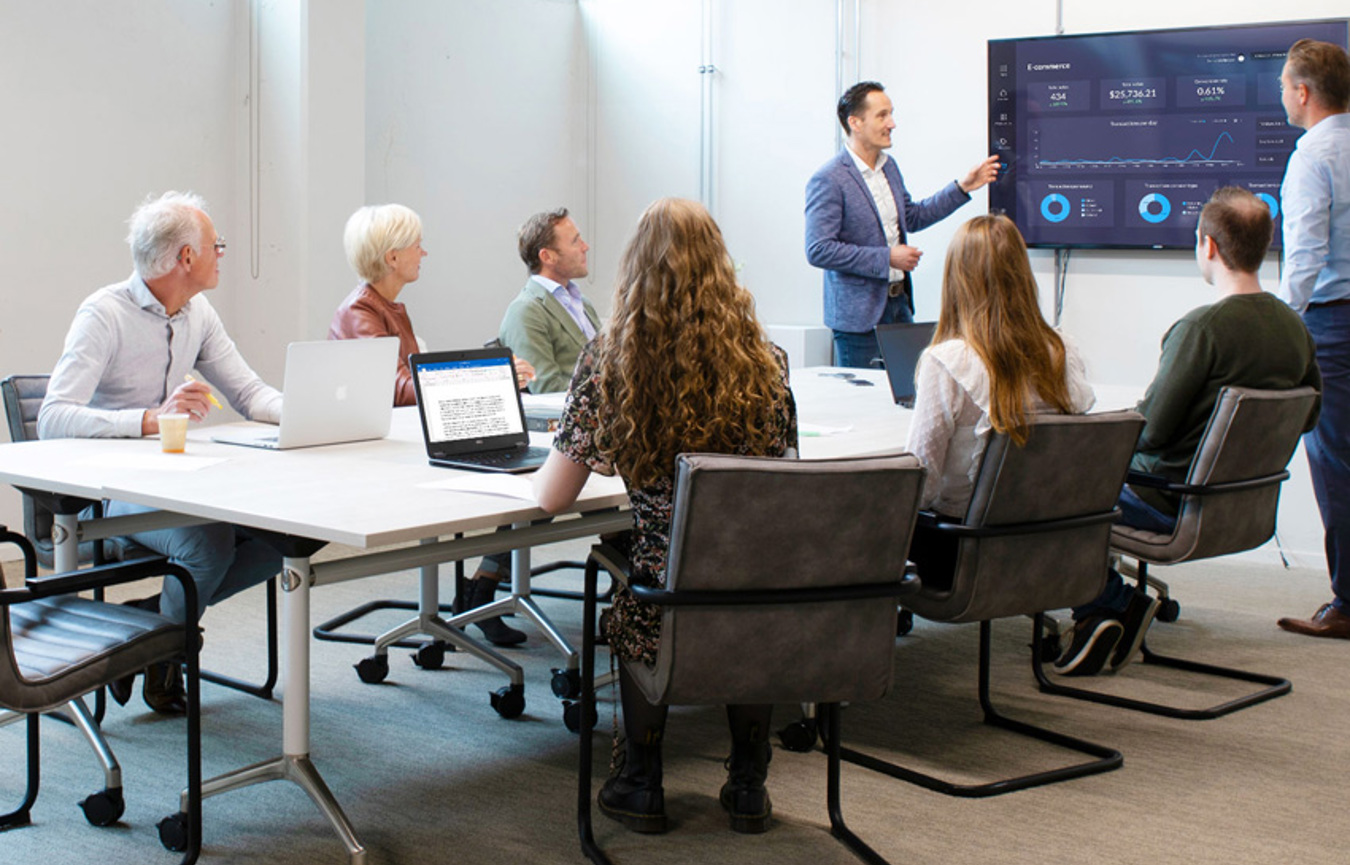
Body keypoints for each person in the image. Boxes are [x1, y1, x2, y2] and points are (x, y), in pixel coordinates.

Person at [534, 198, 798, 836]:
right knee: (738, 591)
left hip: (666, 586)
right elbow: (788, 476)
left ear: (637, 270)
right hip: (757, 585)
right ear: (719, 267)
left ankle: (641, 782)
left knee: (635, 573)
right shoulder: (768, 361)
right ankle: (747, 784)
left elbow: (552, 500)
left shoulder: (609, 360)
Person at [38, 191, 284, 714]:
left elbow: (249, 393)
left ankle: (150, 627)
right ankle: (166, 651)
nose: (223, 253)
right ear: (185, 258)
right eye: (216, 245)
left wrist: (307, 412)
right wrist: (150, 420)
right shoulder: (103, 313)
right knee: (210, 546)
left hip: (175, 486)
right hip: (108, 497)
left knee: (284, 535)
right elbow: (53, 416)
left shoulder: (198, 312)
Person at [1060, 187, 1322, 675]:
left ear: (1208, 246)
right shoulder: (1295, 328)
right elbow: (1307, 415)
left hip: (1167, 499)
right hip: (1241, 505)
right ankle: (1109, 598)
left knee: (1054, 490)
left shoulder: (1202, 329)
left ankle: (1108, 602)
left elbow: (1152, 433)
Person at [330, 203, 534, 646]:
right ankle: (480, 590)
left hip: (403, 444)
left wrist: (483, 377)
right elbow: (400, 388)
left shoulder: (387, 307)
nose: (424, 252)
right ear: (392, 257)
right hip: (381, 456)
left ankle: (481, 586)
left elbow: (414, 380)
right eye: (416, 245)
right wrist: (486, 378)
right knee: (514, 476)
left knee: (520, 474)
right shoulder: (361, 311)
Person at [904, 214, 1094, 586]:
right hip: (1042, 542)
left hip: (958, 548)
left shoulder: (949, 361)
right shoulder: (1061, 350)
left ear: (956, 279)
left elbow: (921, 484)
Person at [805, 81, 1001, 369]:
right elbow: (819, 249)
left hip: (899, 307)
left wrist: (963, 187)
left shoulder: (890, 167)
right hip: (859, 321)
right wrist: (887, 258)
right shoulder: (830, 179)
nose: (892, 123)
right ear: (855, 123)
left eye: (891, 114)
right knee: (863, 407)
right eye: (882, 115)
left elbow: (912, 217)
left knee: (906, 400)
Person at [1272, 39, 1350, 640]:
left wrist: (1278, 324)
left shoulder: (1312, 154)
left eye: (1283, 86)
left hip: (1332, 324)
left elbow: (1304, 255)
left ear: (1303, 91)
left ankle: (1347, 603)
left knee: (1336, 460)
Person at [499, 208, 601, 393]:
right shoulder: (526, 311)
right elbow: (546, 389)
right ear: (547, 257)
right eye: (575, 241)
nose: (585, 247)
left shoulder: (583, 303)